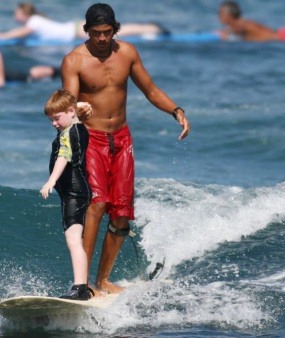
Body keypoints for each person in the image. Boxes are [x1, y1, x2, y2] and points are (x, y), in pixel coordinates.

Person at [61, 3, 190, 295]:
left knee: (120, 214)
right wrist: (75, 109)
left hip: (122, 140)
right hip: (90, 139)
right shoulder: (74, 61)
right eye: (96, 33)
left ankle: (102, 280)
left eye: (107, 32)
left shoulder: (127, 54)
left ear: (115, 30)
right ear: (87, 31)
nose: (102, 38)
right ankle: (81, 283)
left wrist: (176, 111)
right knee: (96, 205)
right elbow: (67, 102)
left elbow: (151, 90)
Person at [40, 89, 93, 300]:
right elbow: (73, 111)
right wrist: (75, 106)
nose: (54, 123)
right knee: (73, 238)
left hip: (74, 191)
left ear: (70, 111)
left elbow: (64, 156)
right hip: (73, 192)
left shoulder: (70, 132)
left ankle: (80, 287)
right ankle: (81, 286)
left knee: (73, 239)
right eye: (51, 119)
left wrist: (51, 181)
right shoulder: (75, 126)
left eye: (56, 118)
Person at [0, 2, 169, 42]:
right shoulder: (36, 20)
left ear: (24, 14)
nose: (15, 17)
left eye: (17, 14)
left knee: (120, 31)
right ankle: (149, 27)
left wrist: (1, 36)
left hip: (75, 30)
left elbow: (23, 32)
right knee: (119, 30)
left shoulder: (34, 21)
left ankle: (151, 28)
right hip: (74, 28)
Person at [218, 1, 285, 42]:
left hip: (284, 37)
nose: (219, 16)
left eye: (221, 13)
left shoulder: (241, 23)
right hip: (284, 34)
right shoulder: (243, 22)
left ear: (229, 15)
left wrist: (224, 33)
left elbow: (236, 30)